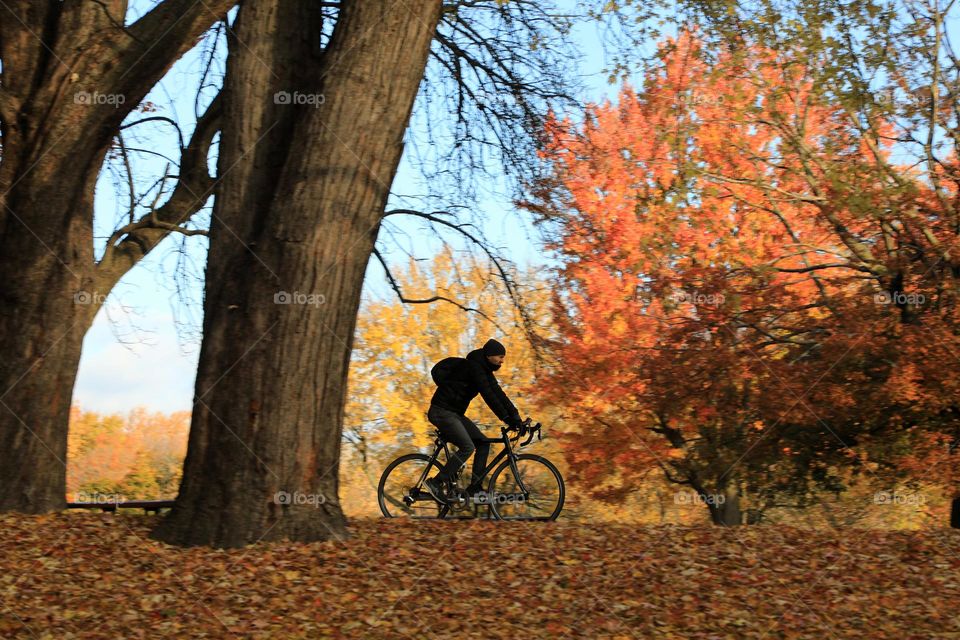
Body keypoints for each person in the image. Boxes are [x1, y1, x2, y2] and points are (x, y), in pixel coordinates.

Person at [424, 338, 524, 503]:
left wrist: (515, 417)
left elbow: (499, 394)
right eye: (500, 356)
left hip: (454, 413)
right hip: (441, 412)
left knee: (483, 443)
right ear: (489, 355)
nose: (502, 360)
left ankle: (475, 488)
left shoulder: (484, 371)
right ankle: (435, 482)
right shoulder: (474, 368)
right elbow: (489, 396)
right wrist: (506, 418)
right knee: (467, 447)